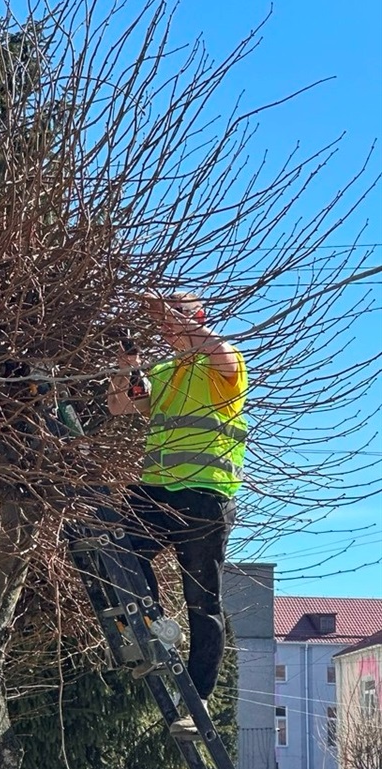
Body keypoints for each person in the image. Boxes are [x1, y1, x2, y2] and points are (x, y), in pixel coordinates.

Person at [107, 293, 247, 735]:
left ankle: (199, 700)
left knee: (203, 600)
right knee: (118, 546)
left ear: (199, 319)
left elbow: (218, 351)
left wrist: (172, 317)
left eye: (177, 320)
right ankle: (155, 624)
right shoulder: (165, 372)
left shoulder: (225, 365)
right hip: (158, 491)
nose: (167, 328)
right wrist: (125, 362)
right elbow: (121, 404)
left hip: (206, 496)